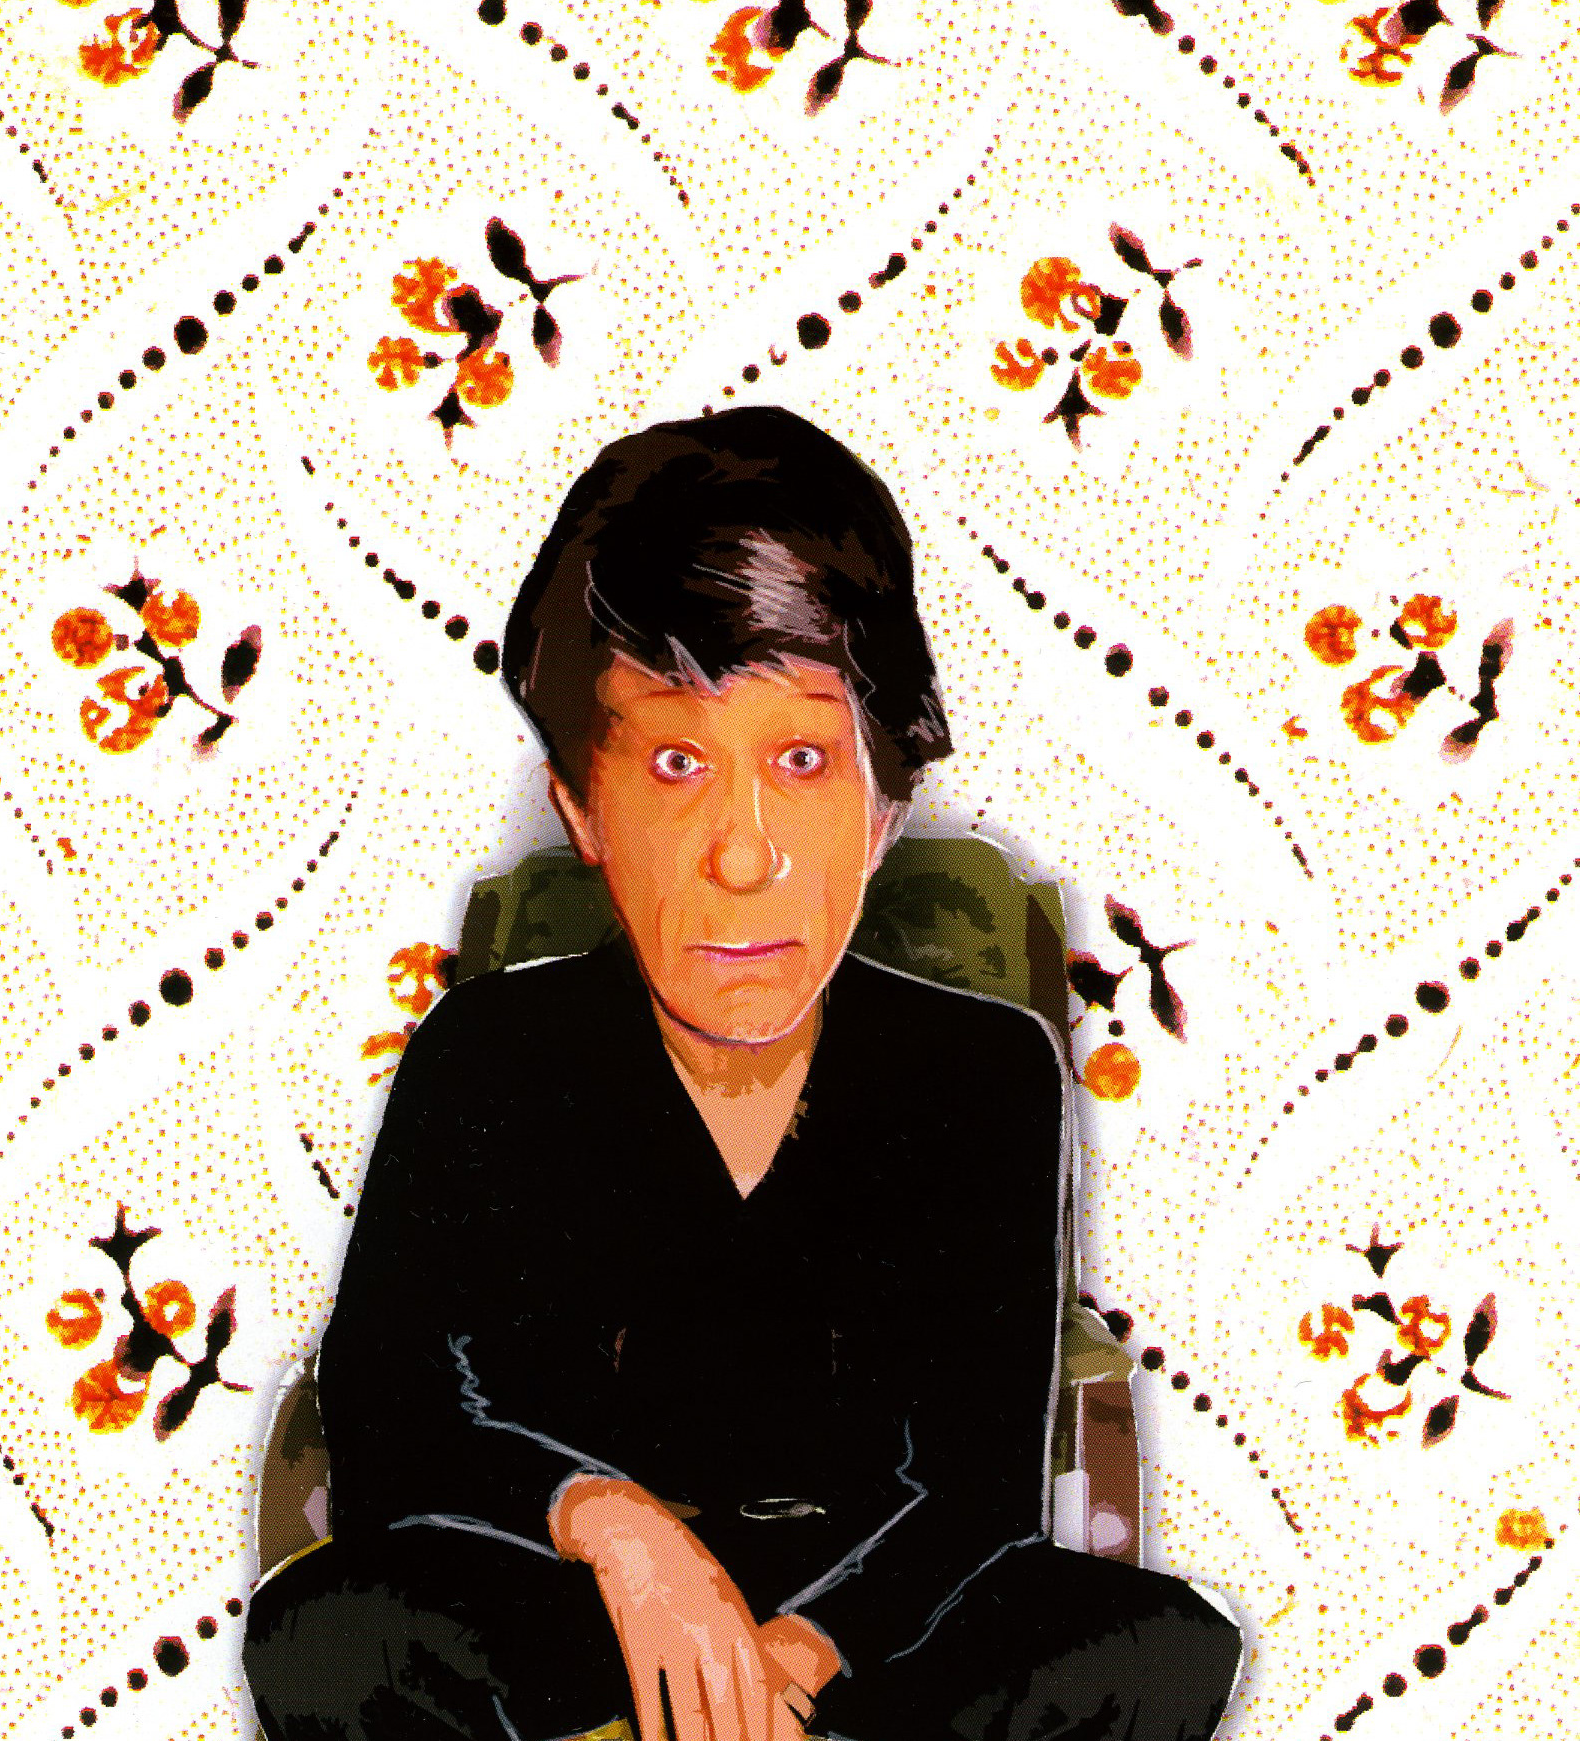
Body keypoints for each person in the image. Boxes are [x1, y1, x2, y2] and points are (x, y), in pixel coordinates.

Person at [243, 406, 1244, 1741]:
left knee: (1155, 1647)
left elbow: (975, 1490)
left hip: (869, 1628)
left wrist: (791, 1659)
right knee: (331, 1634)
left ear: (882, 806)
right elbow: (393, 1413)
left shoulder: (981, 1073)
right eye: (674, 764)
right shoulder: (489, 1052)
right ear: (582, 807)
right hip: (579, 1612)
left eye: (801, 760)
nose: (742, 853)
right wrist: (616, 1530)